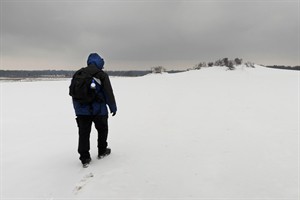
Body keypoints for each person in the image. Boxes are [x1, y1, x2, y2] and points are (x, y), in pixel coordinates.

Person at [71, 53, 117, 166]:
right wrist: (113, 107)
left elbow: (73, 94)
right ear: (99, 63)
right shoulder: (101, 75)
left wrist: (77, 110)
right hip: (99, 110)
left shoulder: (78, 73)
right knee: (102, 130)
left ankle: (84, 157)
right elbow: (108, 93)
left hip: (81, 111)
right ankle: (102, 151)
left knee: (83, 133)